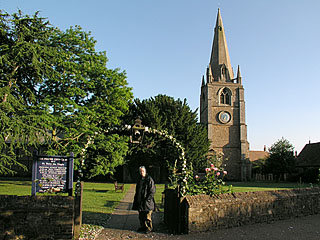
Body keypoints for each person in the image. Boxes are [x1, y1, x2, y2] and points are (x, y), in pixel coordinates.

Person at [132, 166, 156, 233]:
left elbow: (152, 191)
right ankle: (143, 226)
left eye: (143, 171)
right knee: (141, 215)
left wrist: (147, 199)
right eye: (140, 171)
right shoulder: (139, 179)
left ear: (145, 171)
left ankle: (149, 228)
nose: (141, 172)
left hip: (147, 202)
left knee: (147, 216)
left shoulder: (149, 179)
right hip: (140, 201)